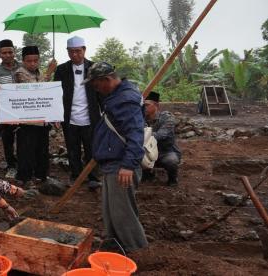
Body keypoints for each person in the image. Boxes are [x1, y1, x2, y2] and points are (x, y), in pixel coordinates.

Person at [84, 62, 148, 252]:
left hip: (121, 164)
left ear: (108, 80)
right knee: (111, 211)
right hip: (113, 162)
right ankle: (116, 246)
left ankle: (137, 251)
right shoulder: (117, 96)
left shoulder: (125, 100)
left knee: (122, 213)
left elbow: (136, 133)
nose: (95, 89)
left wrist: (128, 165)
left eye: (96, 84)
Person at [54, 36, 101, 190]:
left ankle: (93, 177)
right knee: (72, 149)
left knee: (91, 149)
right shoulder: (61, 70)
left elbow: (101, 94)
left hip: (90, 118)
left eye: (78, 51)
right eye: (71, 52)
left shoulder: (95, 68)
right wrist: (55, 115)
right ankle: (76, 176)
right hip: (69, 117)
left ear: (84, 50)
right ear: (67, 52)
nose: (75, 55)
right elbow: (55, 94)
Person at [13, 46, 57, 187]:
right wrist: (49, 72)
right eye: (29, 61)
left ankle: (41, 175)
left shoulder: (38, 72)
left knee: (42, 148)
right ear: (23, 61)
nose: (32, 63)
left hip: (42, 119)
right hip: (27, 120)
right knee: (26, 149)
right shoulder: (20, 73)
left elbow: (46, 95)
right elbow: (35, 90)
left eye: (35, 60)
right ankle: (24, 177)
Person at [0, 39, 20, 179]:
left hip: (25, 112)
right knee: (8, 141)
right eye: (4, 53)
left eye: (10, 52)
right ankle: (11, 166)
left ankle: (24, 164)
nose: (8, 55)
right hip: (6, 115)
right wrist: (0, 110)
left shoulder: (23, 67)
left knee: (25, 140)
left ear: (14, 52)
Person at [143, 91, 181, 186]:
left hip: (166, 151)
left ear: (156, 105)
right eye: (143, 105)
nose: (144, 108)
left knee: (171, 161)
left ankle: (173, 179)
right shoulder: (141, 118)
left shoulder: (167, 118)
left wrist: (143, 135)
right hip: (147, 151)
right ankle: (147, 175)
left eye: (147, 105)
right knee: (133, 156)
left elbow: (161, 135)